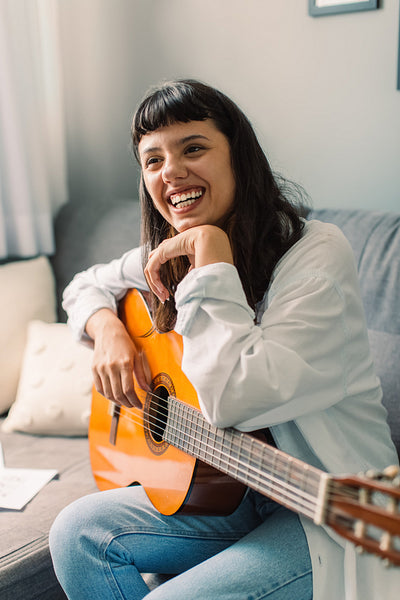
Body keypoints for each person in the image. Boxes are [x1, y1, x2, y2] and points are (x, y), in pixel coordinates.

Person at [49, 79, 398, 600]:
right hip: (234, 493)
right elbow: (85, 286)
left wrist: (212, 256)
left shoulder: (315, 255)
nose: (171, 171)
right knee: (77, 532)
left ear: (239, 156)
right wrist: (107, 333)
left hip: (331, 510)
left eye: (193, 148)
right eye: (153, 160)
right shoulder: (165, 250)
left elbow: (235, 398)